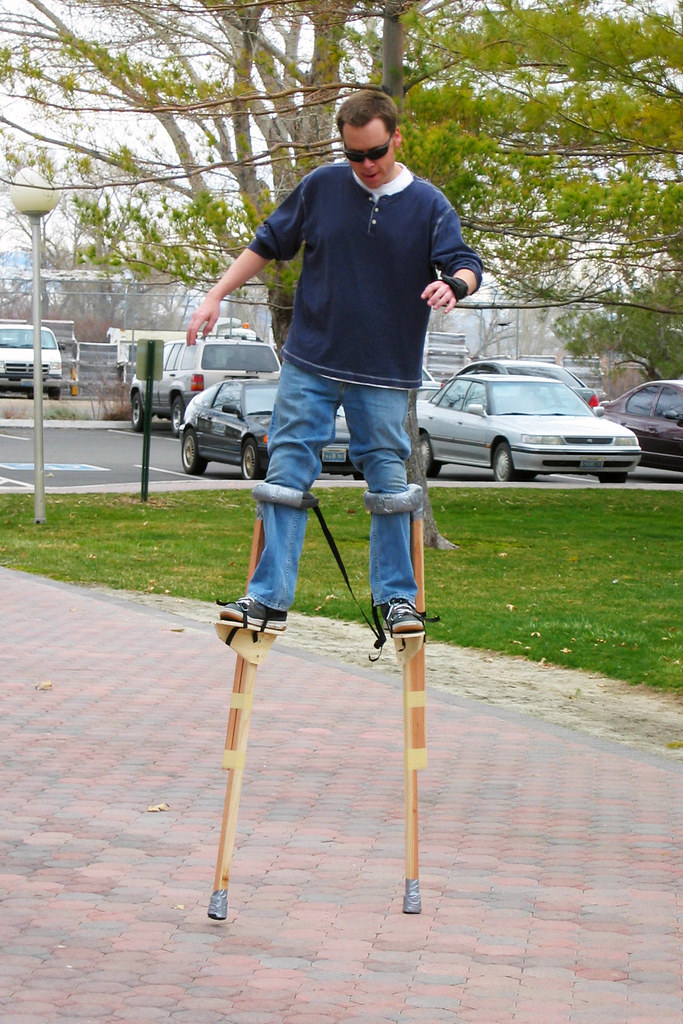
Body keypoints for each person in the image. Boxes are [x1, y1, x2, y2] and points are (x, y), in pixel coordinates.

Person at [186, 89, 483, 639]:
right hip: (311, 361)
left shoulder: (428, 205)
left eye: (376, 153)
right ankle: (266, 598)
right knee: (285, 473)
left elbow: (466, 262)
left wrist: (453, 286)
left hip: (384, 372)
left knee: (390, 482)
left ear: (396, 138)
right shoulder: (322, 188)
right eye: (354, 156)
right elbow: (268, 242)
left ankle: (397, 601)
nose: (366, 166)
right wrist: (215, 294)